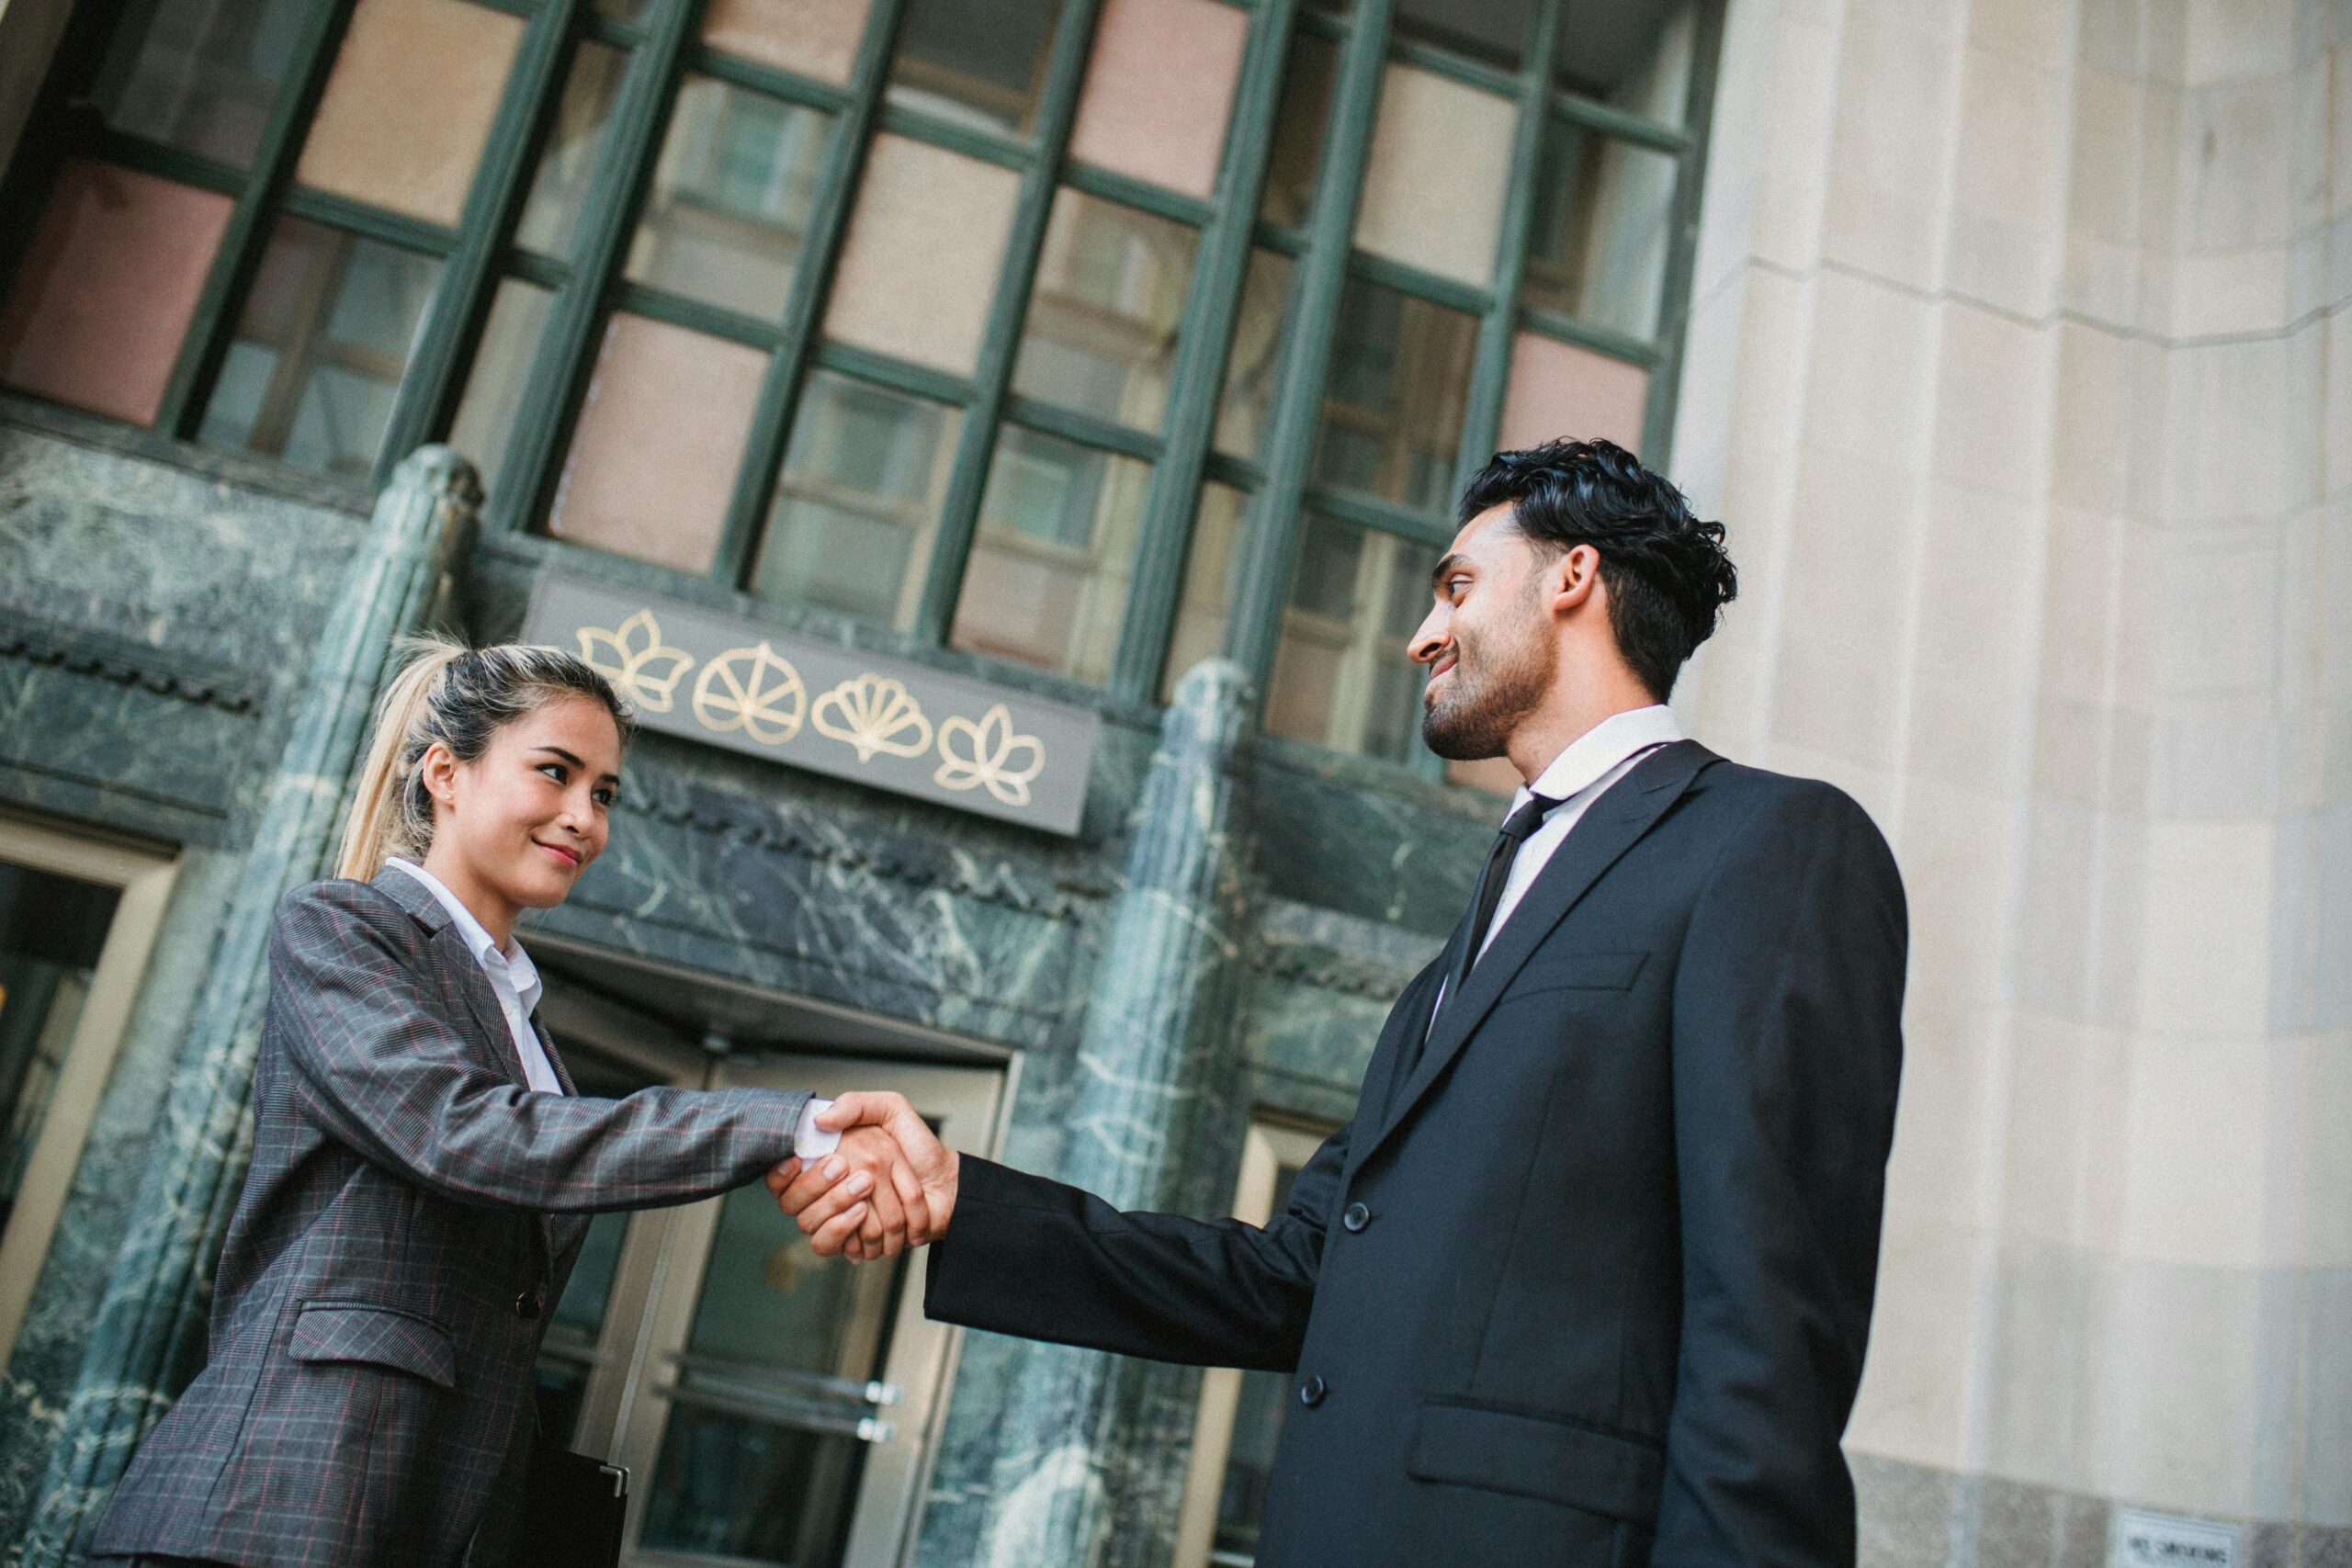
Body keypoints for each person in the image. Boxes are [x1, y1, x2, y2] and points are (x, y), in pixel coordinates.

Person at [777, 439, 1909, 1567]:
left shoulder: (1771, 846)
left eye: (1457, 586)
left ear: (1572, 577)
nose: (1421, 633)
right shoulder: (1457, 962)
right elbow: (1295, 1277)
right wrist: (958, 1200)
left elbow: (1767, 1324)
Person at [89, 640, 927, 1568]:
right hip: (287, 1498)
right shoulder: (344, 929)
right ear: (445, 773)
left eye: (604, 793)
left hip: (434, 1506)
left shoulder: (523, 1028)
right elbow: (462, 1132)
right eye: (556, 773)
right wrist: (784, 1124)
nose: (584, 817)